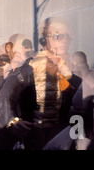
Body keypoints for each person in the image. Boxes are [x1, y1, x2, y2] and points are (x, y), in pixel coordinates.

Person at [28, 18, 74, 149]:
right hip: (55, 108)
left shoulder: (34, 61)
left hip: (39, 108)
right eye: (58, 36)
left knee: (41, 138)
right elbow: (68, 75)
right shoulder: (58, 60)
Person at [0, 34, 38, 150]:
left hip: (26, 131)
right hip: (16, 134)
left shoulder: (26, 70)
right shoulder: (20, 72)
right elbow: (2, 101)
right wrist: (13, 121)